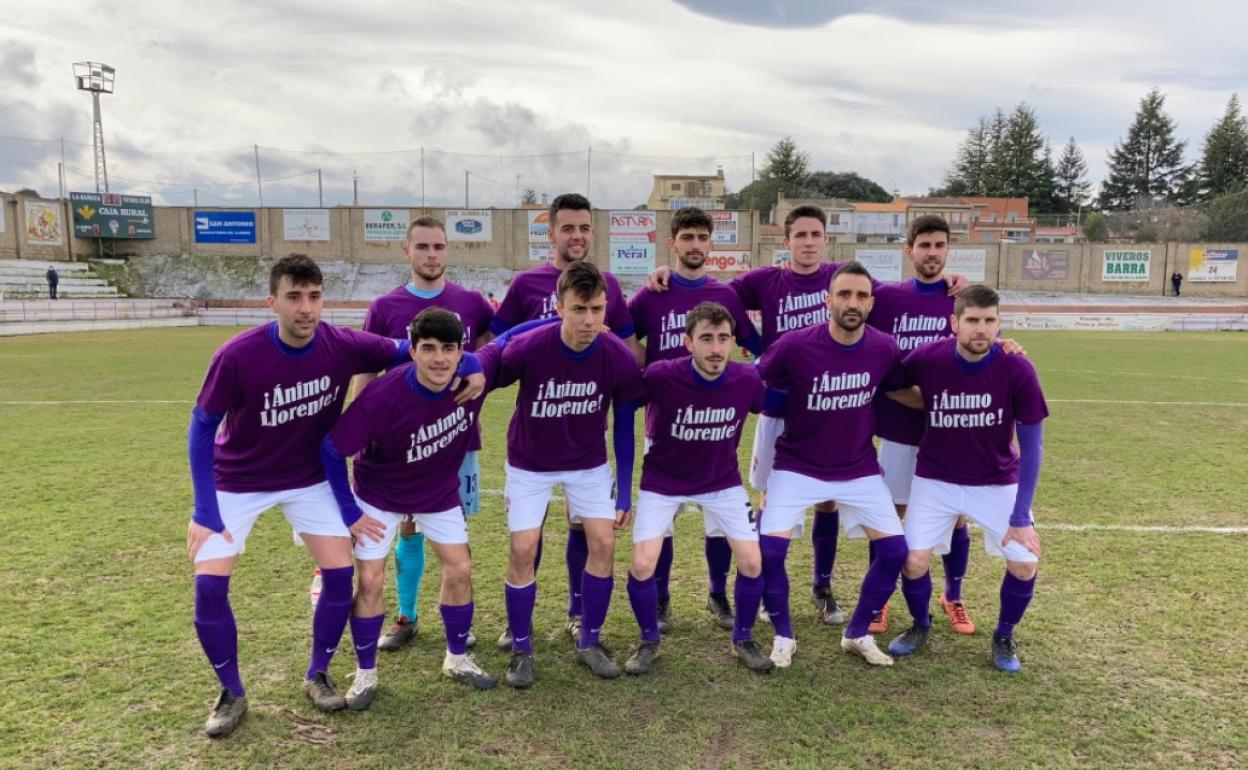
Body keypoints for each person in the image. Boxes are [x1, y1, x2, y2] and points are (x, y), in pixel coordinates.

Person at [185, 255, 479, 737]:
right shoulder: (237, 354)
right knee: (210, 585)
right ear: (272, 302)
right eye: (294, 297)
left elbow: (415, 351)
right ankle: (231, 691)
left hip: (308, 477)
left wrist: (473, 364)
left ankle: (318, 673)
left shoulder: (342, 344)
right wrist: (204, 506)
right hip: (237, 480)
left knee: (342, 575)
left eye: (315, 296)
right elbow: (202, 426)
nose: (306, 308)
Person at [320, 308, 497, 703]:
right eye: (429, 348)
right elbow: (332, 449)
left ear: (460, 351)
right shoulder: (382, 397)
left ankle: (456, 658)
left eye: (449, 349)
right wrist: (351, 513)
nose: (439, 358)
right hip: (379, 495)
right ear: (412, 351)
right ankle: (365, 674)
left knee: (461, 567)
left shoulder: (471, 382)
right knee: (370, 579)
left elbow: (509, 340)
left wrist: (475, 362)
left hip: (437, 493)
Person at [488, 193, 638, 650]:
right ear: (551, 232)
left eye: (585, 228)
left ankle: (581, 621)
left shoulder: (608, 287)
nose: (577, 235)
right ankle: (520, 632)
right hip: (533, 446)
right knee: (525, 541)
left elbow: (630, 360)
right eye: (568, 228)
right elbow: (497, 349)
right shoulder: (526, 286)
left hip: (586, 445)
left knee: (591, 536)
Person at [756, 261, 914, 668]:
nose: (852, 302)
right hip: (796, 465)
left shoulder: (884, 347)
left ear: (871, 302)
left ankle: (857, 632)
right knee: (769, 551)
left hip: (858, 468)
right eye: (844, 294)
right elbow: (754, 383)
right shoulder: (794, 345)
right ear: (828, 300)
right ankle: (784, 635)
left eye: (861, 295)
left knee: (895, 551)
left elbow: (905, 388)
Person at [885, 285, 1048, 673]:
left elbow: (1033, 446)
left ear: (999, 324)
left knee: (1025, 562)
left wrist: (1022, 515)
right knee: (912, 561)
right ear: (954, 323)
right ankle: (920, 625)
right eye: (972, 320)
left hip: (996, 482)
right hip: (935, 479)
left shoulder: (1017, 367)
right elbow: (889, 382)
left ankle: (1004, 635)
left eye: (989, 321)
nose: (981, 329)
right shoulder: (928, 358)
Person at [353, 216, 494, 653]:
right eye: (423, 247)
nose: (432, 255)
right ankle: (406, 615)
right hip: (398, 447)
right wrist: (361, 431)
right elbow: (366, 371)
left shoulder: (471, 304)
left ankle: (456, 621)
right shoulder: (385, 307)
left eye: (439, 247)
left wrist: (479, 373)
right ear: (407, 252)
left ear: (448, 251)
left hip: (455, 440)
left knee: (453, 528)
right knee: (408, 530)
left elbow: (492, 352)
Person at [626, 206, 762, 634]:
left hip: (716, 424)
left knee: (719, 522)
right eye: (688, 237)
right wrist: (646, 369)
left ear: (711, 243)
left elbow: (756, 344)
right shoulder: (652, 294)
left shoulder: (725, 296)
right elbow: (623, 335)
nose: (696, 245)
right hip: (663, 423)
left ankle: (718, 594)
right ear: (673, 243)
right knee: (661, 523)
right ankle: (661, 599)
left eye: (703, 237)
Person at [621, 301, 773, 675]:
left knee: (753, 561)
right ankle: (648, 640)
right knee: (642, 564)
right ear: (688, 342)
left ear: (735, 343)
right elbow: (624, 405)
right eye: (706, 338)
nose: (716, 348)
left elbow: (775, 405)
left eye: (723, 338)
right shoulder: (660, 376)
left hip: (721, 482)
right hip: (663, 482)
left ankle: (743, 638)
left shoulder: (746, 380)